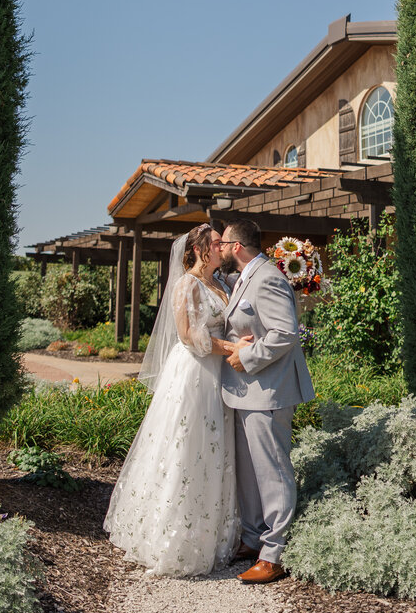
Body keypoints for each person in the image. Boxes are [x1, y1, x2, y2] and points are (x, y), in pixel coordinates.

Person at [103, 224, 243, 576]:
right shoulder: (186, 285)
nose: (222, 247)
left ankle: (212, 532)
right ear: (198, 249)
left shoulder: (222, 283)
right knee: (186, 444)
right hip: (194, 373)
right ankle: (171, 539)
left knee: (215, 446)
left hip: (220, 375)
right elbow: (188, 335)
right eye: (216, 243)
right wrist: (233, 347)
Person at [220, 219, 315, 584]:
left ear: (237, 246)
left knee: (273, 471)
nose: (219, 249)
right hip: (247, 392)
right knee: (249, 472)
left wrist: (246, 357)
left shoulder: (268, 278)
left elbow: (285, 333)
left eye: (223, 243)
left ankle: (274, 554)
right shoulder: (242, 277)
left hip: (269, 390)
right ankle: (252, 538)